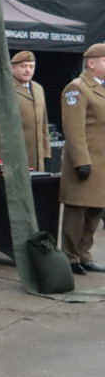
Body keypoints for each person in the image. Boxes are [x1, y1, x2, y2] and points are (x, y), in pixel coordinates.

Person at [59, 43, 105, 275]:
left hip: (101, 163)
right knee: (77, 211)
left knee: (94, 211)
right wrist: (80, 161)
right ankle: (70, 256)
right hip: (85, 161)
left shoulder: (101, 88)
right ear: (91, 63)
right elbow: (73, 129)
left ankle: (84, 253)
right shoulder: (77, 88)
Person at [0, 51, 50, 171]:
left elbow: (43, 125)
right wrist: (2, 158)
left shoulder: (38, 89)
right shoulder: (3, 89)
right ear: (12, 68)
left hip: (36, 159)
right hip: (12, 159)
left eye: (31, 67)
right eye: (23, 66)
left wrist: (45, 153)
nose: (28, 70)